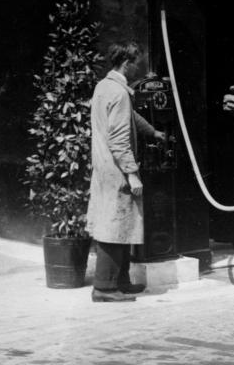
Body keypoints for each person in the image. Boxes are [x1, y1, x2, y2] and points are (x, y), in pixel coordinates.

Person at [87, 42, 166, 303]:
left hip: (103, 168)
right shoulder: (120, 93)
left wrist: (152, 132)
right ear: (127, 63)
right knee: (115, 226)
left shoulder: (104, 87)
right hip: (117, 170)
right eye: (136, 63)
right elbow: (119, 138)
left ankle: (120, 282)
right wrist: (132, 173)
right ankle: (104, 288)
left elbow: (128, 117)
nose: (138, 69)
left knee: (120, 225)